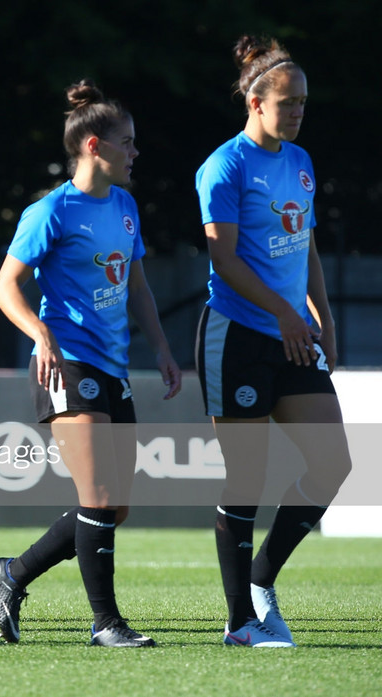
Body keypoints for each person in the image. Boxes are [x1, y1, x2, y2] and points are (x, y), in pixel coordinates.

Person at [0, 81, 182, 648]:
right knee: (97, 498)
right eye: (129, 142)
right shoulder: (51, 210)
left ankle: (12, 574)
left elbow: (137, 285)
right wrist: (41, 333)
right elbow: (5, 288)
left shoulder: (123, 205)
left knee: (114, 508)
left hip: (113, 369)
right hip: (65, 364)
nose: (136, 152)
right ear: (95, 145)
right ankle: (105, 624)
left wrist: (163, 349)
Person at [194, 36, 350, 649]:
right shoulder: (224, 165)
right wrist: (286, 315)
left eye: (303, 103)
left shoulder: (301, 161)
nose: (297, 112)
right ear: (255, 102)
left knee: (333, 464)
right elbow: (224, 259)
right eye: (288, 103)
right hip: (238, 333)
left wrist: (324, 319)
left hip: (293, 332)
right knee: (247, 480)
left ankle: (262, 579)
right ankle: (239, 623)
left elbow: (305, 245)